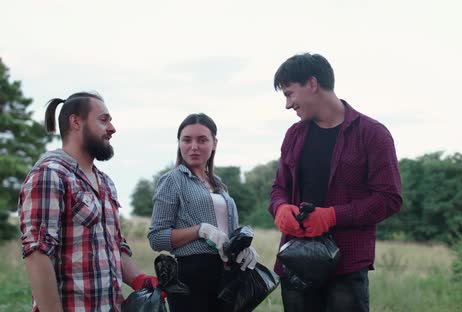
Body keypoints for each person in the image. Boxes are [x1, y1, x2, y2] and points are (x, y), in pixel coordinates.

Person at [269, 53, 403, 311]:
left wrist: (332, 216)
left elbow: (389, 199)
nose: (288, 105)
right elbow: (279, 188)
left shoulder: (372, 134)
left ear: (312, 83)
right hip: (296, 265)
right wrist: (280, 208)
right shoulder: (293, 135)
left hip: (346, 268)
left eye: (289, 93)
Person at [18, 92, 158, 312]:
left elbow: (114, 246)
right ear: (76, 122)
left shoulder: (105, 183)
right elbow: (37, 254)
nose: (112, 128)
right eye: (104, 120)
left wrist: (140, 280)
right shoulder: (50, 175)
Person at [148, 113, 259, 312]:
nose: (194, 147)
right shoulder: (172, 180)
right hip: (191, 277)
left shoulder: (219, 185)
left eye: (202, 140)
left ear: (214, 143)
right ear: (179, 143)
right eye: (187, 140)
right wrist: (200, 230)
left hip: (227, 275)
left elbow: (228, 232)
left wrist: (242, 246)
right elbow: (156, 238)